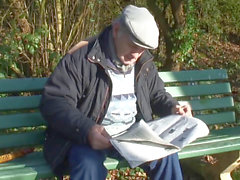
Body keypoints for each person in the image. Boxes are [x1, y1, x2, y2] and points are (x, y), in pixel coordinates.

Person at [40, 4, 192, 180]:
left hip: (132, 136)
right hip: (86, 137)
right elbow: (54, 101)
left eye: (142, 49)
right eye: (132, 45)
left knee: (167, 156)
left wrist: (173, 108)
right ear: (116, 29)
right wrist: (87, 129)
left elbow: (156, 93)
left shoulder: (144, 62)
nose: (136, 54)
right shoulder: (83, 57)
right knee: (88, 165)